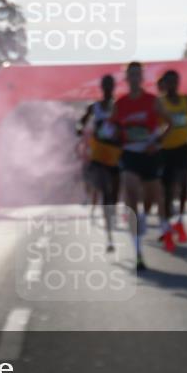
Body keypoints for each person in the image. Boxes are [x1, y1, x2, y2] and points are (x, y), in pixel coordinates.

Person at [111, 61, 172, 270]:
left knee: (154, 196)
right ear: (127, 79)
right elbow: (114, 129)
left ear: (142, 78)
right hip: (130, 154)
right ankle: (137, 252)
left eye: (138, 74)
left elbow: (169, 123)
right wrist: (114, 136)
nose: (135, 78)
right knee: (131, 196)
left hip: (150, 154)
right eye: (131, 74)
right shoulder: (120, 104)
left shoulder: (152, 101)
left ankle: (148, 220)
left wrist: (156, 142)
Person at [77, 74, 122, 251]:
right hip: (99, 155)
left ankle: (113, 213)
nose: (108, 89)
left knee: (114, 196)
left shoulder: (119, 106)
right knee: (105, 192)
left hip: (117, 154)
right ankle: (109, 237)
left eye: (111, 85)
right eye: (105, 85)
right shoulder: (93, 107)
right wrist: (80, 130)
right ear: (101, 88)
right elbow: (80, 123)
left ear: (114, 87)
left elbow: (126, 123)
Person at [157, 69, 187, 244]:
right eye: (169, 81)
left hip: (183, 147)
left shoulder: (185, 100)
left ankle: (180, 220)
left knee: (184, 184)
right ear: (164, 84)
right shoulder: (159, 102)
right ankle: (166, 226)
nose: (173, 85)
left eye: (175, 81)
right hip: (165, 150)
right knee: (167, 190)